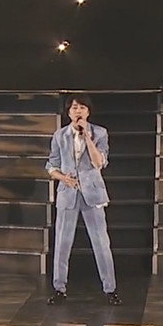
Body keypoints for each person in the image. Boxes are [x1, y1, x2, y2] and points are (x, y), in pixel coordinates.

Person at [46, 94, 119, 305]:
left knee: (101, 242)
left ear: (88, 111)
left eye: (82, 107)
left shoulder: (99, 133)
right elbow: (51, 165)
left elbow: (99, 163)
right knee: (62, 243)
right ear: (68, 112)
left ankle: (110, 289)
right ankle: (59, 288)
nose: (78, 111)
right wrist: (63, 178)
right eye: (74, 107)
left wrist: (87, 137)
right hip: (68, 193)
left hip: (92, 193)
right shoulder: (60, 136)